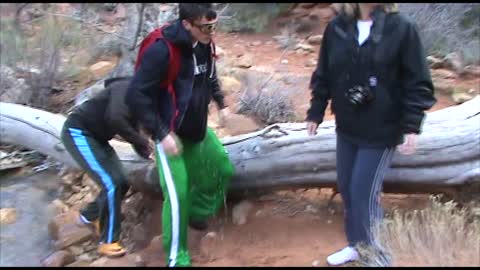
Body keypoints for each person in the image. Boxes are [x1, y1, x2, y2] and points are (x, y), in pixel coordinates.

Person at [305, 3, 436, 266]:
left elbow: (418, 81)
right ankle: (357, 246)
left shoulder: (402, 29)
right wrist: (316, 110)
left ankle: (378, 257)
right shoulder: (338, 27)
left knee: (364, 192)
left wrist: (412, 124)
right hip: (348, 126)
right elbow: (324, 73)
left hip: (383, 129)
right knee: (347, 188)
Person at [125, 3, 234, 267]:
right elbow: (135, 95)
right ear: (187, 24)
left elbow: (209, 76)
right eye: (206, 27)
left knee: (222, 168)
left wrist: (221, 103)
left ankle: (197, 213)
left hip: (196, 129)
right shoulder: (162, 51)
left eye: (214, 25)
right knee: (178, 193)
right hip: (169, 133)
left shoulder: (205, 43)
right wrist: (161, 134)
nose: (211, 31)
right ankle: (177, 256)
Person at [61, 77, 153, 257]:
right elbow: (116, 118)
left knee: (123, 182)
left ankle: (90, 216)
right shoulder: (125, 87)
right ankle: (108, 241)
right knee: (112, 183)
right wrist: (143, 141)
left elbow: (131, 131)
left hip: (98, 139)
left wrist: (148, 155)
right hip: (78, 133)